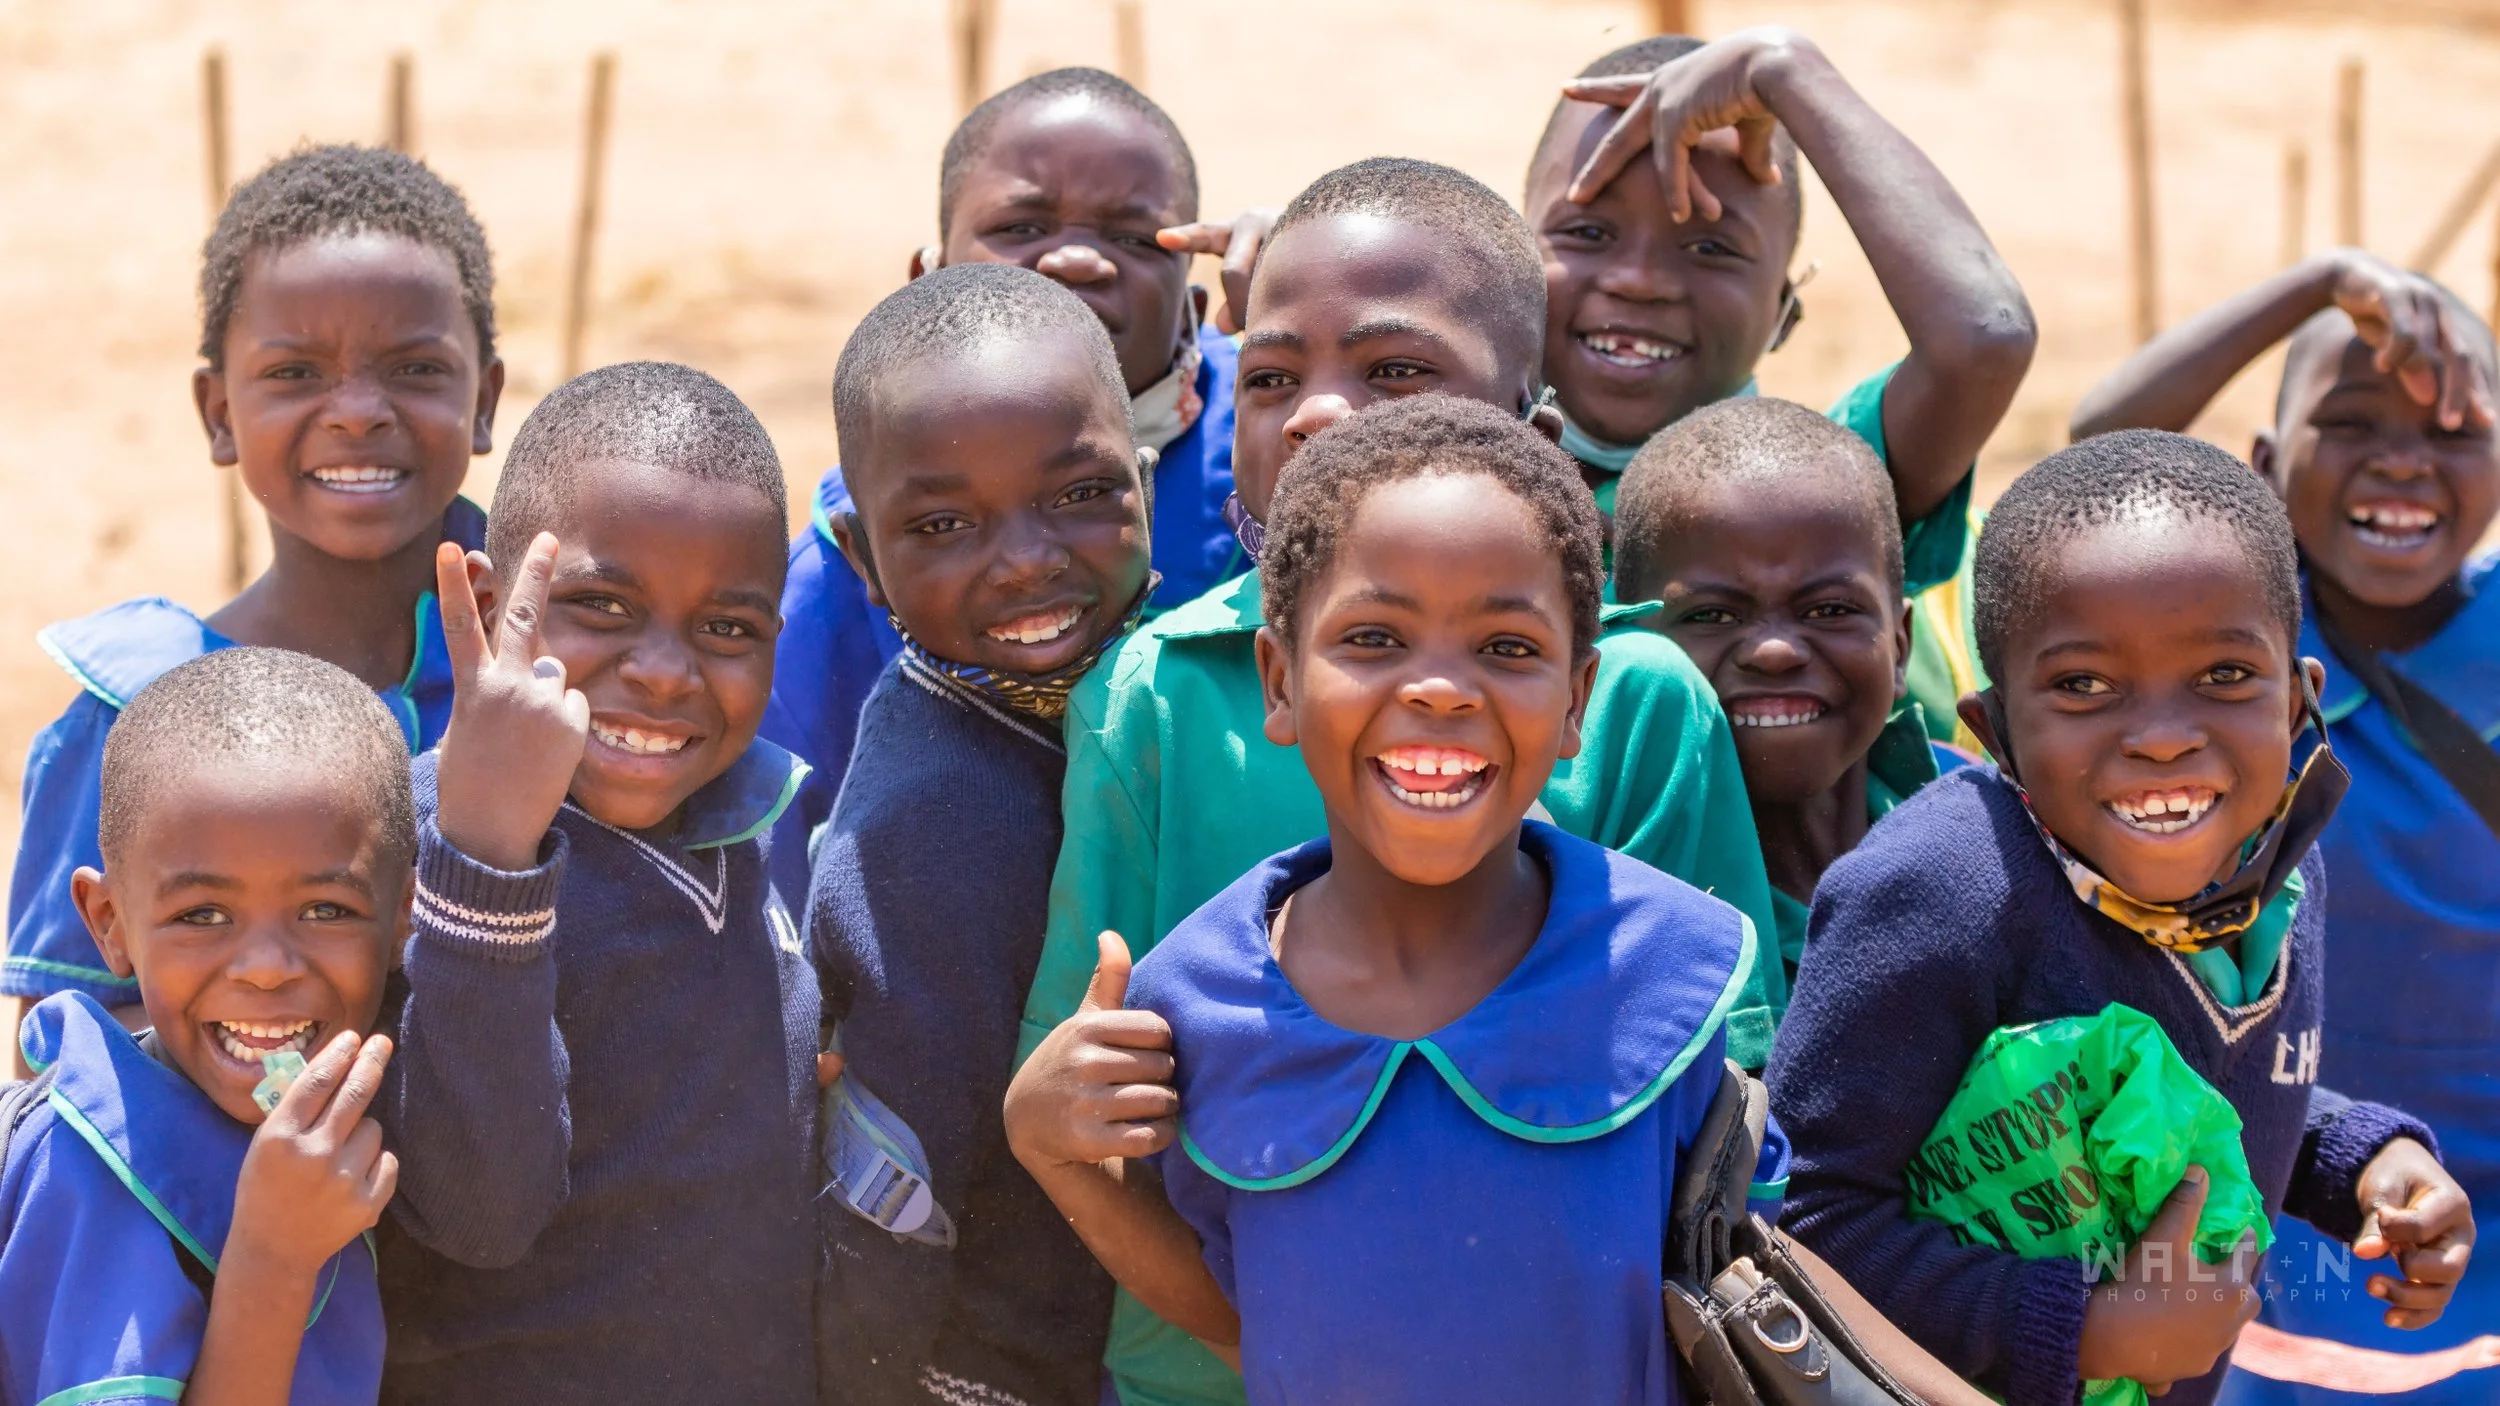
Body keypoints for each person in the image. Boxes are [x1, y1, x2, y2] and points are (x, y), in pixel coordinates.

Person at [1007, 396, 1990, 1406]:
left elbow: (1757, 1264)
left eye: (1508, 648)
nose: (1440, 689)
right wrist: (1053, 1148)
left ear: (1575, 699)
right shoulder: (1197, 1006)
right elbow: (1242, 1315)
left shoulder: (1660, 965)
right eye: (1375, 637)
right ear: (1279, 678)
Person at [1015, 154, 1780, 1406]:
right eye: (1269, 377)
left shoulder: (1640, 712)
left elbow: (1720, 1173)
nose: (1317, 413)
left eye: (1391, 372)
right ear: (1280, 683)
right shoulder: (1151, 693)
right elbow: (1096, 1090)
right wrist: (1049, 1132)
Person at [1766, 431, 2475, 1406]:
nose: (2162, 734)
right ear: (1995, 728)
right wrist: (2086, 1325)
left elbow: (2193, 1093)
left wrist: (2357, 1155)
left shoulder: (2280, 879)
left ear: (2299, 702)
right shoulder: (1941, 893)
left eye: (2225, 675)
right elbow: (1803, 1214)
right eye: (2084, 686)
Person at [2071, 249, 2498, 1403]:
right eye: (2350, 422)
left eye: (2456, 428)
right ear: (2261, 467)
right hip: (2258, 1185)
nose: (2403, 461)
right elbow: (2099, 452)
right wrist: (2312, 286)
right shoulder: (2223, 626)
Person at [375, 363, 818, 1402]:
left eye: (727, 628)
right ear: (485, 605)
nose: (666, 669)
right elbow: (480, 1211)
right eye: (601, 604)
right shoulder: (409, 852)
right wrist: (488, 858)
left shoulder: (741, 817)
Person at [5, 144, 504, 1061]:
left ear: (486, 400)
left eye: (415, 369)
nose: (357, 410)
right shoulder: (134, 711)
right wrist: (273, 1067)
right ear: (219, 414)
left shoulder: (544, 675)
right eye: (295, 374)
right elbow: (55, 1040)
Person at [808, 264, 1153, 1404]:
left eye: (1078, 492)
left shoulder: (1166, 700)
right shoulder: (931, 818)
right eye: (945, 523)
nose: (1025, 557)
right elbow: (889, 1188)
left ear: (1144, 486)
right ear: (861, 558)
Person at [764, 68, 1245, 881]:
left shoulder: (1278, 456)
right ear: (928, 278)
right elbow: (769, 863)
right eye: (1021, 226)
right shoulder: (839, 569)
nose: (1077, 259)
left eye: (1136, 238)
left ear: (1194, 302)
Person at [1534, 27, 2033, 742]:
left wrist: (1785, 71)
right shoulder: (1449, 495)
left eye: (1711, 247)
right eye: (1585, 233)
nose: (1638, 280)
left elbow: (1984, 339)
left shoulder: (1818, 495)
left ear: (1784, 313)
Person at [0, 648, 406, 1405]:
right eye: (202, 916)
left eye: (325, 911)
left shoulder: (361, 1119)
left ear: (407, 917)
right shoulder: (87, 1168)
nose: (264, 967)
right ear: (109, 923)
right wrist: (275, 1260)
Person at [1614, 396, 1960, 976]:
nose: (1774, 652)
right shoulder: (1605, 897)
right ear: (1627, 645)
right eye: (1711, 615)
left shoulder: (1993, 836)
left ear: (1899, 645)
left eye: (1829, 609)